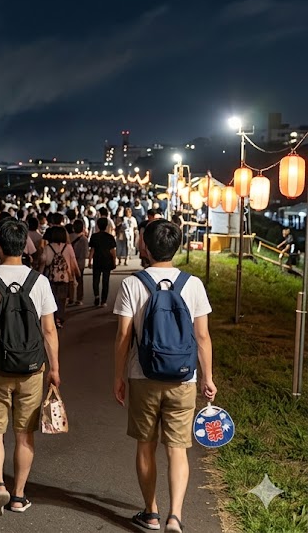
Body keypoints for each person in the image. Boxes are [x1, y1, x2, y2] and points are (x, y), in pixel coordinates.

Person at [112, 219, 216, 533]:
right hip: (183, 378)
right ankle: (175, 516)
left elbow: (123, 337)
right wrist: (207, 377)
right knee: (177, 449)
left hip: (142, 375)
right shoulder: (193, 284)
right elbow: (203, 337)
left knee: (146, 445)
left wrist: (118, 377)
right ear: (178, 246)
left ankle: (151, 512)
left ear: (145, 245)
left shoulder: (133, 284)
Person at [0, 219, 61, 520]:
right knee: (24, 434)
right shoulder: (39, 281)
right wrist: (54, 368)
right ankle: (19, 496)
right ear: (26, 246)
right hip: (32, 369)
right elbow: (49, 330)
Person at [38, 225, 79, 328]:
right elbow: (73, 262)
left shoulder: (48, 247)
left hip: (51, 278)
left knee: (52, 298)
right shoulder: (68, 247)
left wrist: (39, 274)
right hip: (64, 278)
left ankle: (52, 317)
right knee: (62, 299)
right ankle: (59, 318)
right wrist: (77, 274)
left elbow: (44, 261)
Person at [88, 217, 118, 308]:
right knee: (106, 280)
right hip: (107, 260)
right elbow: (113, 251)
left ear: (97, 225)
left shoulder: (94, 236)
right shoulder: (110, 237)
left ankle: (96, 296)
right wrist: (114, 261)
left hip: (97, 260)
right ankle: (103, 301)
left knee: (95, 280)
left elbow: (92, 250)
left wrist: (90, 260)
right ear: (107, 226)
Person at [69, 220, 89, 306]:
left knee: (70, 280)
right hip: (80, 262)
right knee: (79, 280)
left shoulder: (69, 237)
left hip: (70, 261)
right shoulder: (84, 239)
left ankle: (70, 297)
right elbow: (85, 253)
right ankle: (79, 298)